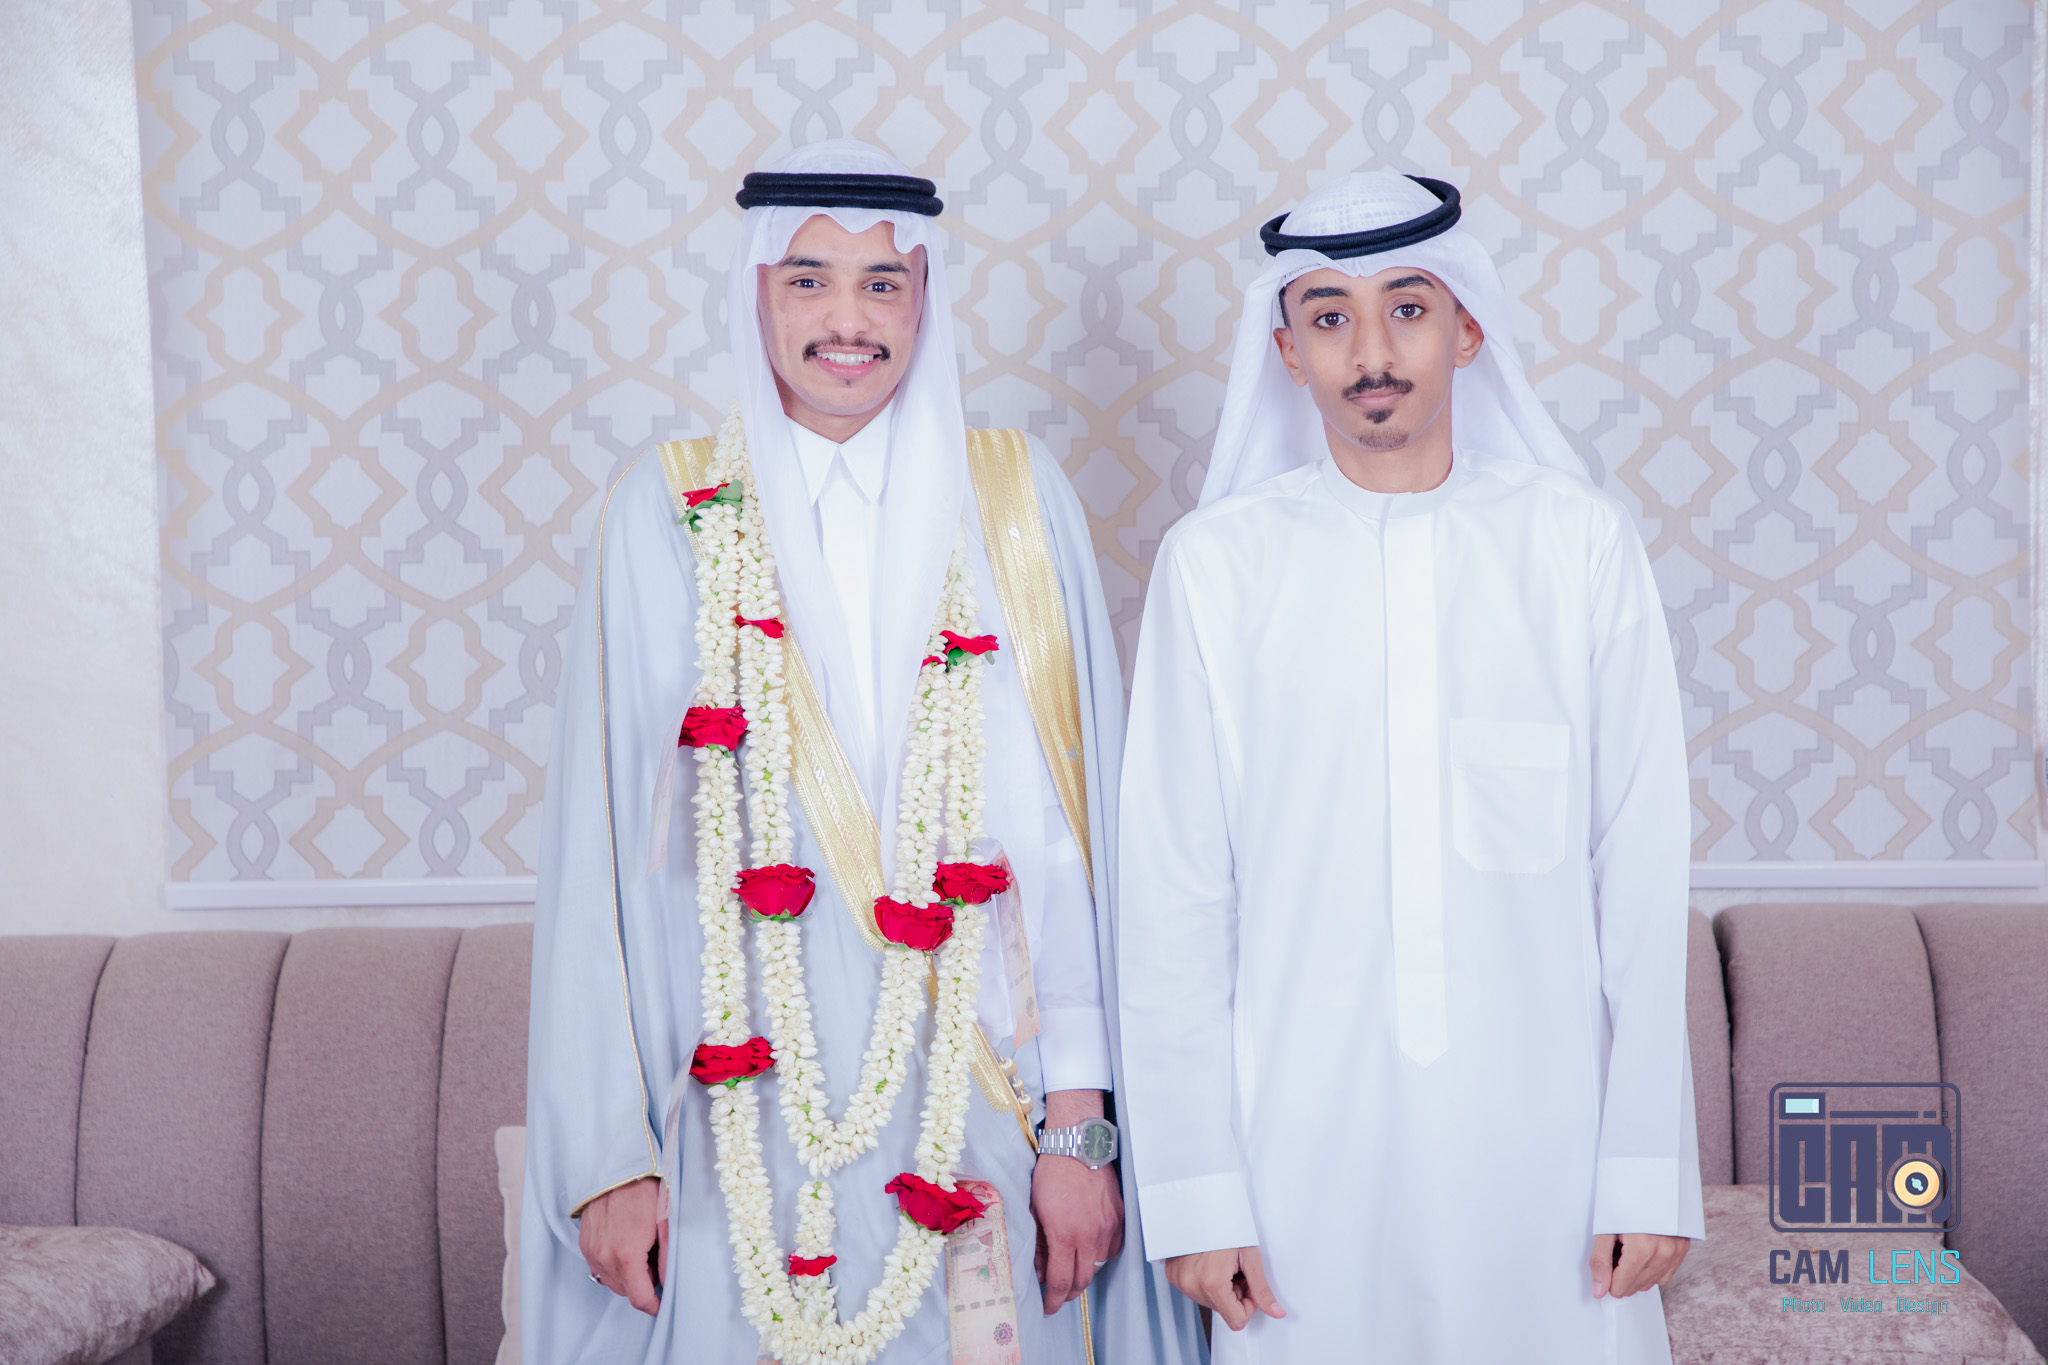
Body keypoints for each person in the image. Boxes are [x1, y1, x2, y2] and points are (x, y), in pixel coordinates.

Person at [521, 139, 1202, 1365]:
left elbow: (1065, 846)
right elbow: (598, 856)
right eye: (808, 280)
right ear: (753, 295)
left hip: (986, 1104)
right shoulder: (666, 511)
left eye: (882, 283)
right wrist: (609, 1157)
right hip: (732, 1126)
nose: (847, 319)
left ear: (925, 298)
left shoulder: (1011, 497)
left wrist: (1078, 1131)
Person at [1115, 170, 1704, 1363]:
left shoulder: (1575, 545)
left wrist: (1645, 1167)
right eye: (1329, 316)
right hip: (1297, 1153)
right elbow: (1172, 897)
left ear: (1467, 330)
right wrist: (1194, 1192)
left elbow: (1639, 874)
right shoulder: (1215, 567)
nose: (1371, 352)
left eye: (1407, 308)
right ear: (1285, 351)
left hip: (1547, 1150)